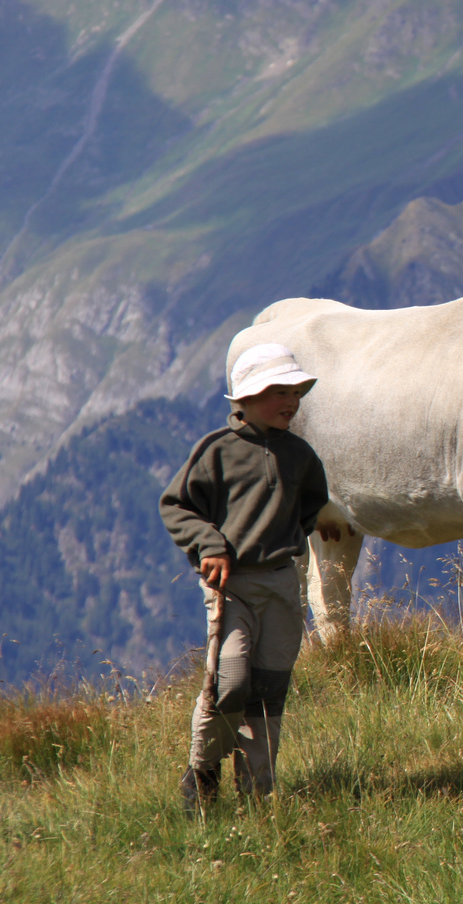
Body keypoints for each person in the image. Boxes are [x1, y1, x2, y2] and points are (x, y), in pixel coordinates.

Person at [162, 342, 331, 809]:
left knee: (271, 687)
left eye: (296, 392)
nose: (291, 402)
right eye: (279, 391)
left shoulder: (300, 456)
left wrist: (290, 541)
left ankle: (258, 792)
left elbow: (313, 502)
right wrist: (210, 546)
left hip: (281, 585)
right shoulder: (216, 451)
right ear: (246, 397)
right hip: (231, 587)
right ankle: (203, 770)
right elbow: (177, 507)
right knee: (230, 680)